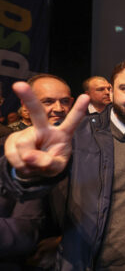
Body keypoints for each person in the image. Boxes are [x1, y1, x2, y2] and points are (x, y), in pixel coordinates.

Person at [1, 59, 125, 270]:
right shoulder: (79, 134)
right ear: (111, 93)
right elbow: (28, 188)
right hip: (88, 263)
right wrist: (24, 172)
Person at [1, 73, 73, 270]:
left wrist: (63, 243)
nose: (59, 109)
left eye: (64, 101)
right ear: (26, 105)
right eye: (48, 101)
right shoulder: (6, 148)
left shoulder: (88, 151)